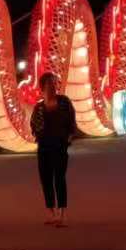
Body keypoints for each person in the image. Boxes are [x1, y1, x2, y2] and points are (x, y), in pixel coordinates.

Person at [32, 72, 75, 226]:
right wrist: (38, 136)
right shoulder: (39, 108)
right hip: (44, 148)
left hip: (60, 146)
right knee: (46, 180)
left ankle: (62, 214)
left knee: (59, 179)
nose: (52, 86)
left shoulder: (64, 102)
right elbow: (34, 126)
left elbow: (71, 121)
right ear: (42, 88)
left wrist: (68, 137)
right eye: (49, 84)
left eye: (54, 83)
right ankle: (51, 212)